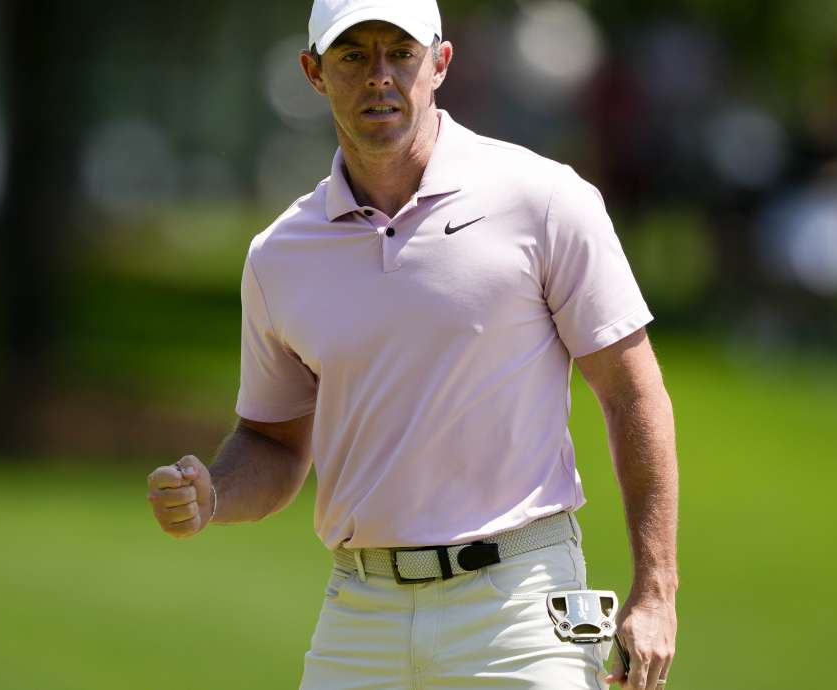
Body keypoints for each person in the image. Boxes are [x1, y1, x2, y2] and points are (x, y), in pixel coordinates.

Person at [145, 1, 678, 688]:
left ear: (440, 64)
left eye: (400, 53)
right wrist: (213, 491)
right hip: (360, 613)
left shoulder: (544, 200)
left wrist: (656, 589)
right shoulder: (280, 254)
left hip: (518, 604)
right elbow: (273, 442)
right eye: (353, 56)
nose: (378, 76)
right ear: (314, 73)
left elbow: (632, 391)